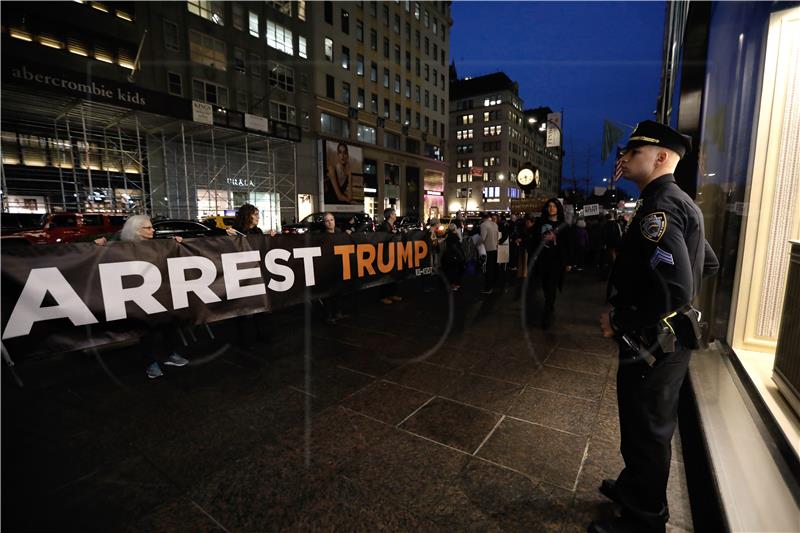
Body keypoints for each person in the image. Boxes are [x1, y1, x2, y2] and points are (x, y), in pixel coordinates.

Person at [594, 121, 719, 533]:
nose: (624, 158)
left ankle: (644, 519)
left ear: (661, 158)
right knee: (640, 425)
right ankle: (634, 490)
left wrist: (620, 318)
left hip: (653, 341)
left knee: (646, 430)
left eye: (634, 152)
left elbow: (680, 283)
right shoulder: (676, 201)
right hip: (661, 339)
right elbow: (708, 263)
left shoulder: (660, 207)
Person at [95, 215, 189, 379]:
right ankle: (150, 363)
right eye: (148, 228)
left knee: (169, 324)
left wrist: (176, 242)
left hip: (159, 291)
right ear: (136, 230)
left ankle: (169, 354)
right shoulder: (119, 245)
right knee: (147, 330)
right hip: (136, 293)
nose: (153, 230)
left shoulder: (157, 242)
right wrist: (95, 246)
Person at [531, 199, 570, 328]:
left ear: (558, 208)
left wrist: (567, 262)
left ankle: (547, 315)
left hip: (556, 262)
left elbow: (568, 245)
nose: (551, 208)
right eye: (549, 206)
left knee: (552, 288)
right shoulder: (540, 223)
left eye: (554, 206)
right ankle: (550, 305)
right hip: (543, 262)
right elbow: (533, 239)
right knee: (546, 287)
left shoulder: (563, 225)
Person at [317, 212, 349, 324]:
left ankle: (338, 312)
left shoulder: (339, 232)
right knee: (328, 294)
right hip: (328, 268)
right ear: (324, 223)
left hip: (339, 267)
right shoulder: (321, 236)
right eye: (327, 221)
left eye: (332, 220)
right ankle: (329, 315)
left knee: (339, 291)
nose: (330, 222)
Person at [377, 207, 402, 304]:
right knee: (386, 275)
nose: (396, 215)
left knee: (394, 274)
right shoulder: (384, 226)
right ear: (390, 215)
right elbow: (384, 238)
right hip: (386, 254)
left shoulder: (392, 225)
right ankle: (383, 296)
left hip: (393, 252)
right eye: (394, 214)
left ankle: (392, 294)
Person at [440, 223, 465, 291]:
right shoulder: (454, 237)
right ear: (454, 229)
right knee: (454, 271)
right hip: (454, 256)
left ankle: (454, 284)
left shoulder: (449, 236)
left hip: (451, 256)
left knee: (453, 270)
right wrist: (460, 255)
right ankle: (454, 285)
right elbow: (456, 247)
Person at [479, 212, 499, 294]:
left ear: (483, 218)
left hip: (488, 249)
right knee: (494, 269)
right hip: (495, 249)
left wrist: (477, 241)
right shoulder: (495, 224)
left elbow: (483, 238)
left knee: (488, 270)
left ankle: (488, 288)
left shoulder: (483, 225)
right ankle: (493, 286)